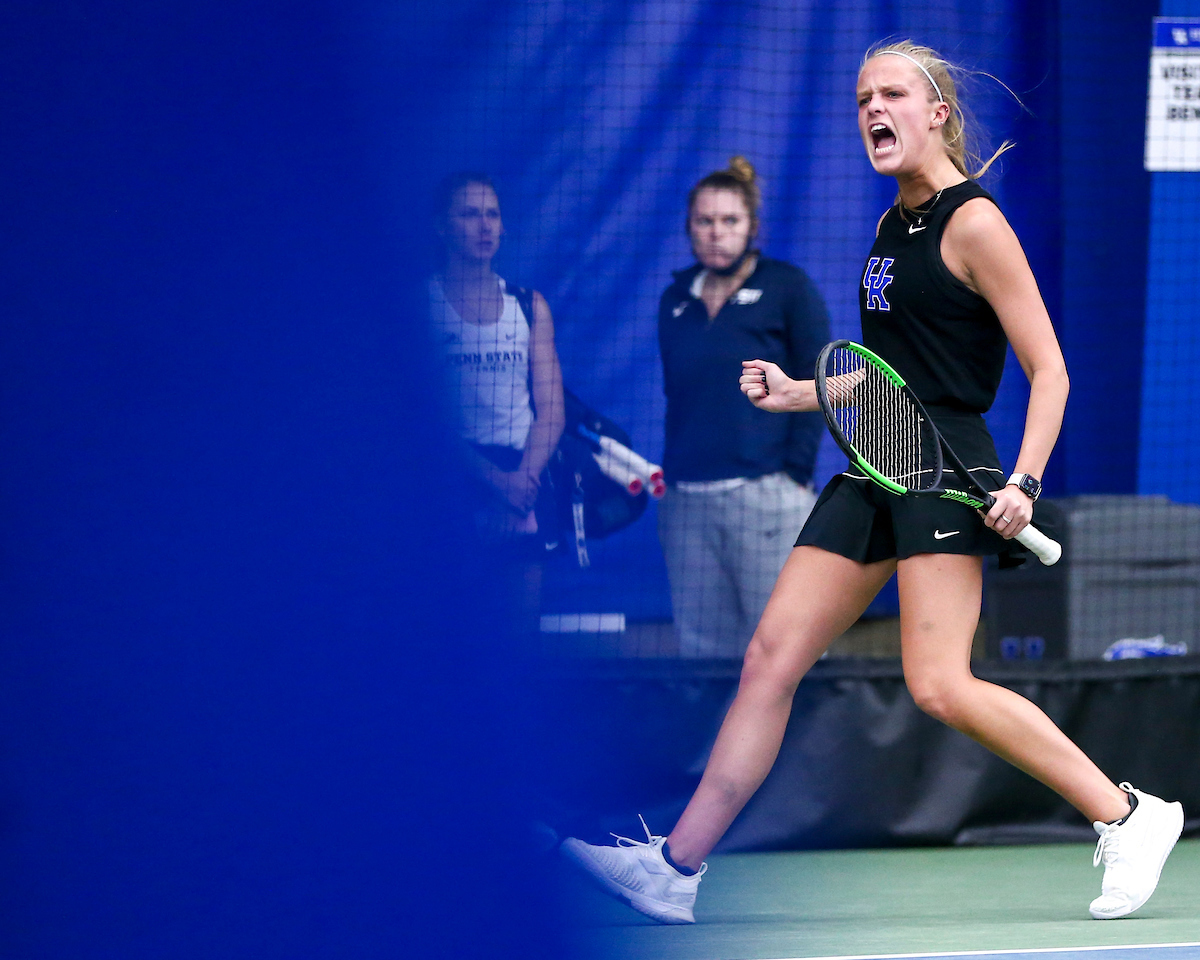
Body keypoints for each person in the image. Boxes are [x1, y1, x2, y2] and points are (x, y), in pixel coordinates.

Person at [562, 41, 1184, 924]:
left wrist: (1028, 483)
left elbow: (1052, 370)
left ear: (937, 112)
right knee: (770, 657)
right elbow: (886, 371)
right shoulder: (894, 226)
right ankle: (675, 866)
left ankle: (1128, 816)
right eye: (861, 98)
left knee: (939, 684)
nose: (871, 110)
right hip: (877, 461)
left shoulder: (977, 224)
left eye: (890, 93)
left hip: (945, 467)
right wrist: (799, 393)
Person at [657, 157, 829, 658]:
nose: (716, 233)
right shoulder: (674, 299)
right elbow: (677, 396)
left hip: (768, 497)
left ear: (753, 227)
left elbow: (821, 386)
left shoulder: (788, 289)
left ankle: (794, 742)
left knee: (780, 653)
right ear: (689, 227)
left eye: (730, 221)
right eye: (704, 221)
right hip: (687, 502)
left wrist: (793, 476)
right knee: (703, 656)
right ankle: (714, 741)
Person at [429, 172, 565, 636]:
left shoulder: (528, 305)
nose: (485, 226)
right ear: (442, 226)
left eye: (492, 214)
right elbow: (424, 423)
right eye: (469, 214)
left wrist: (521, 485)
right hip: (451, 482)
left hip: (523, 479)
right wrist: (495, 484)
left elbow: (552, 410)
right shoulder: (421, 307)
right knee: (452, 640)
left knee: (521, 647)